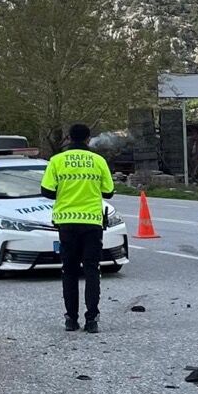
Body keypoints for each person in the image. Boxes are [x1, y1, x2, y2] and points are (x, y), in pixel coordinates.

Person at [40, 124, 115, 334]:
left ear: (68, 138)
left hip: (66, 223)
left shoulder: (57, 160)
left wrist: (65, 194)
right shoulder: (98, 161)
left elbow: (46, 191)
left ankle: (71, 319)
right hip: (92, 222)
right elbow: (108, 192)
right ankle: (92, 320)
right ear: (88, 139)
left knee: (69, 271)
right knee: (92, 270)